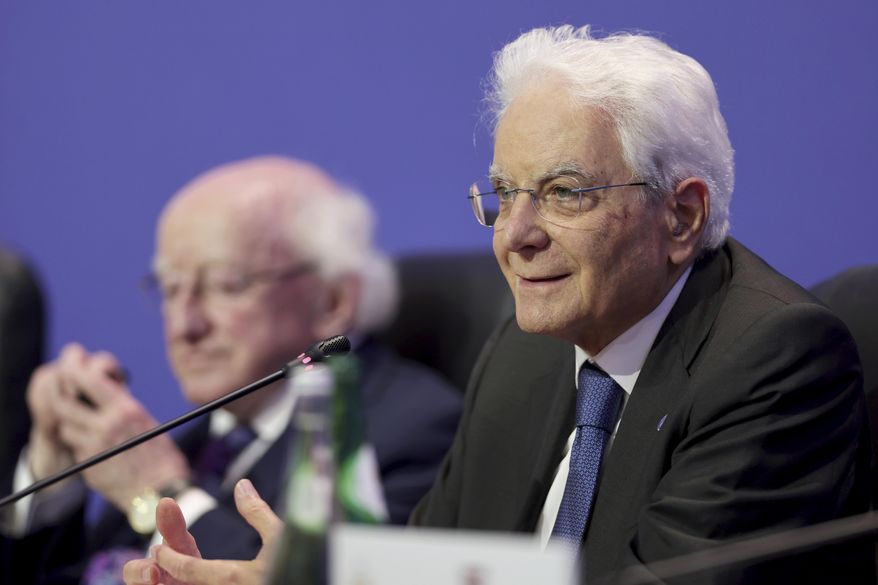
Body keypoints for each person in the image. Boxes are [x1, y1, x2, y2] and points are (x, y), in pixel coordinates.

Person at [123, 25, 873, 585]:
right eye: (506, 193)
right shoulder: (525, 348)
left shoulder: (773, 361)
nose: (515, 236)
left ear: (680, 217)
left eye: (564, 193)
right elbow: (427, 569)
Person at [2, 156, 462, 584]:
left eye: (225, 285)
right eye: (171, 289)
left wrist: (160, 489)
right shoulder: (208, 440)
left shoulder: (411, 435)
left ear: (331, 301)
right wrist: (53, 480)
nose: (185, 326)